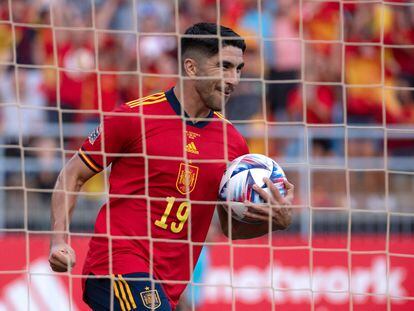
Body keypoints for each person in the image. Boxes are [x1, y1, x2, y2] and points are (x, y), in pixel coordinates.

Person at [49, 22, 294, 311]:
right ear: (191, 68)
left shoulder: (234, 144)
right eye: (224, 66)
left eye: (238, 69)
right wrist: (58, 240)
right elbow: (72, 174)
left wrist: (276, 221)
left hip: (167, 286)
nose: (234, 80)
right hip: (115, 268)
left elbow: (231, 228)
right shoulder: (135, 117)